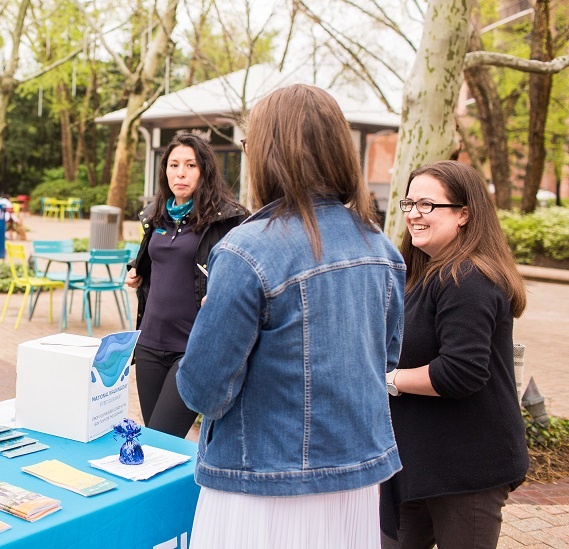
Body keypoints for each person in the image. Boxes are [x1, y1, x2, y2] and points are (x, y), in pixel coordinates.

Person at [175, 84, 405, 548]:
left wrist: (211, 324)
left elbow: (202, 390)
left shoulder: (247, 250)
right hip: (354, 482)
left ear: (268, 153)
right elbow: (384, 360)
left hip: (262, 483)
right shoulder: (380, 248)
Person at [380, 160, 529, 548]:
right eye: (408, 203)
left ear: (464, 214)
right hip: (418, 464)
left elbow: (460, 372)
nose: (414, 214)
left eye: (427, 205)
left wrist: (389, 382)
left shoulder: (468, 279)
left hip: (468, 468)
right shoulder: (424, 273)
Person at [125, 132, 246, 438]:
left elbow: (239, 272)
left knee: (165, 437)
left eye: (190, 165)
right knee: (154, 441)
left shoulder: (225, 219)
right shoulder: (157, 215)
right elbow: (157, 260)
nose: (181, 173)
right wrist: (136, 270)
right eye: (174, 165)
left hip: (192, 348)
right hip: (150, 343)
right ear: (164, 170)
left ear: (204, 170)